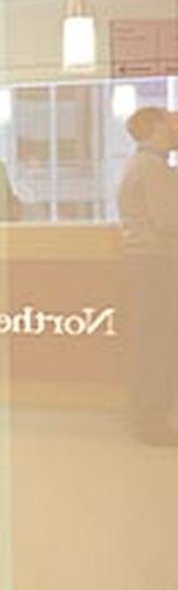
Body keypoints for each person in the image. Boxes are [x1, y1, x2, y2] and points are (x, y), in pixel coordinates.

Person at [117, 107, 178, 445]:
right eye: (172, 120)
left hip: (147, 264)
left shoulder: (145, 164)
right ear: (155, 126)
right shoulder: (151, 167)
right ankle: (151, 421)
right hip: (156, 264)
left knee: (152, 341)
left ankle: (145, 416)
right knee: (158, 342)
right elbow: (169, 220)